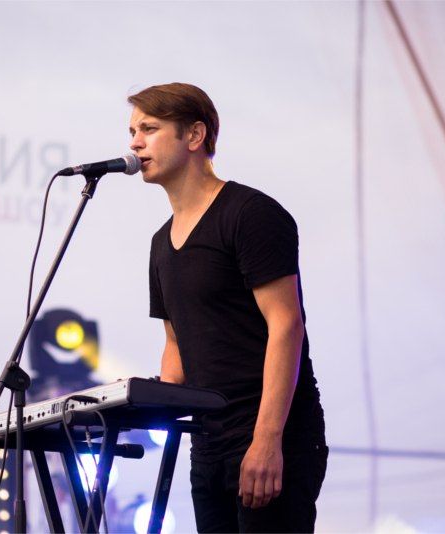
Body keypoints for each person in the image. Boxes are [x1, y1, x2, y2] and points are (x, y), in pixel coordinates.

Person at [128, 82, 327, 533]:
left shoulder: (250, 214)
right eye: (132, 131)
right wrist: (138, 406)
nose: (135, 143)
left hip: (271, 437)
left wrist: (267, 441)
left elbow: (287, 325)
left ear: (194, 135)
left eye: (149, 129)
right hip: (208, 446)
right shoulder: (161, 243)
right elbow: (176, 346)